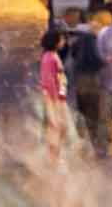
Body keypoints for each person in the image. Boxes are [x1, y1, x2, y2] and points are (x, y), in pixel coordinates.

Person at [65, 7, 106, 148]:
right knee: (94, 113)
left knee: (83, 111)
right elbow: (95, 60)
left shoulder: (81, 39)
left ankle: (83, 140)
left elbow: (73, 55)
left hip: (80, 81)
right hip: (92, 81)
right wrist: (105, 62)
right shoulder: (93, 40)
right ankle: (95, 143)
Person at [38, 27, 68, 158]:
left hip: (57, 97)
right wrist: (55, 99)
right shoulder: (50, 57)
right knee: (55, 127)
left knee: (59, 128)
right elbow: (49, 80)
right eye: (62, 39)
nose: (64, 42)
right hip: (53, 98)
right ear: (55, 41)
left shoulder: (51, 56)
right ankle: (53, 159)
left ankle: (55, 157)